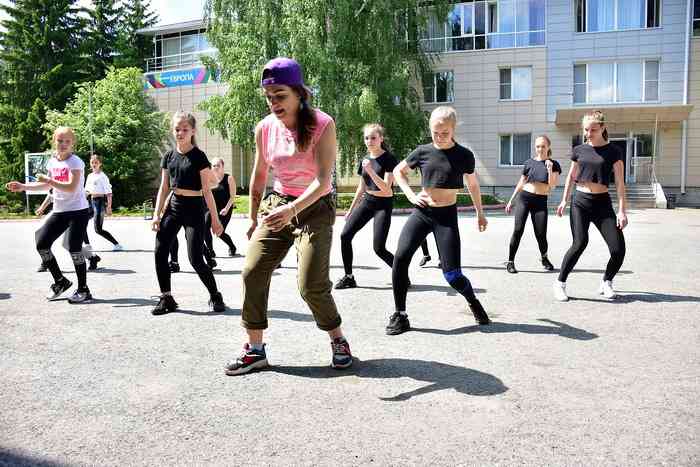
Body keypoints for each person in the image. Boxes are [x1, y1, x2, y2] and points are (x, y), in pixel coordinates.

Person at [224, 57, 352, 375]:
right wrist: (253, 218)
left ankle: (337, 339)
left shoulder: (323, 124)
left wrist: (293, 209)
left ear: (299, 93)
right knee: (252, 271)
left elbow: (324, 181)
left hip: (314, 206)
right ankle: (255, 349)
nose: (274, 103)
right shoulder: (265, 128)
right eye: (269, 97)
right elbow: (258, 175)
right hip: (276, 204)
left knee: (311, 284)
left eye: (280, 95)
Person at [388, 106, 490, 335]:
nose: (440, 137)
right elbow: (398, 171)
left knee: (452, 274)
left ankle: (473, 301)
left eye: (445, 133)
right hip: (422, 213)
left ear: (453, 129)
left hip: (446, 217)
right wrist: (412, 195)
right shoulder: (422, 151)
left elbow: (472, 184)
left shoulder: (464, 155)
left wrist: (480, 213)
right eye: (435, 132)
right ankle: (400, 315)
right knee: (400, 259)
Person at [5, 127, 93, 303]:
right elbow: (48, 187)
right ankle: (60, 281)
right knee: (42, 243)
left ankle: (83, 289)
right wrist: (23, 186)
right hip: (60, 211)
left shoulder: (76, 162)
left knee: (75, 248)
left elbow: (70, 187)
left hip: (78, 211)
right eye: (60, 140)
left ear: (73, 143)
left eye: (67, 141)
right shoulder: (53, 161)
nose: (63, 144)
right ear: (54, 141)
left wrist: (49, 181)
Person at [151, 111, 226, 315]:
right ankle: (166, 298)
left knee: (195, 258)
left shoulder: (198, 156)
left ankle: (215, 295)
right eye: (177, 129)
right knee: (160, 250)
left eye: (185, 129)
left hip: (194, 208)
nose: (180, 132)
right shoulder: (168, 156)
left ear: (193, 131)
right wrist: (157, 214)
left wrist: (216, 221)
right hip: (174, 205)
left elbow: (207, 191)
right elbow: (164, 188)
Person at [554, 110, 627, 301]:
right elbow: (571, 176)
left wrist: (621, 211)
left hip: (602, 203)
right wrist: (564, 200)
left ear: (603, 128)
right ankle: (560, 283)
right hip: (581, 202)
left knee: (618, 249)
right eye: (586, 129)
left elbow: (620, 182)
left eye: (593, 129)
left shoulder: (614, 151)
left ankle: (606, 282)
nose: (588, 133)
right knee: (580, 243)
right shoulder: (579, 150)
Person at [334, 124, 398, 289]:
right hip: (368, 202)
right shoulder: (365, 160)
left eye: (373, 137)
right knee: (345, 235)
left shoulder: (389, 159)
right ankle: (349, 277)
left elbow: (386, 188)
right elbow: (362, 188)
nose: (369, 141)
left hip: (383, 204)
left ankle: (401, 273)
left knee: (379, 248)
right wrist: (351, 210)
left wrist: (370, 171)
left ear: (381, 139)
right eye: (367, 138)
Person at [504, 135, 561, 273]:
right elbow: (521, 182)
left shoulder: (554, 164)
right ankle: (510, 261)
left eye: (543, 146)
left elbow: (552, 186)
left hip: (540, 201)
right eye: (538, 146)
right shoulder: (529, 162)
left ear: (548, 147)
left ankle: (544, 258)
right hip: (524, 198)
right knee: (518, 230)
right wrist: (511, 200)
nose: (540, 149)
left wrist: (549, 168)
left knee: (541, 234)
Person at [35, 191, 102, 271]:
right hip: (58, 210)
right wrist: (42, 207)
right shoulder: (53, 180)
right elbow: (50, 194)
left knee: (67, 244)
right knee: (38, 233)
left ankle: (92, 257)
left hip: (72, 211)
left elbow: (85, 192)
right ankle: (46, 260)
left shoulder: (74, 180)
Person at [203, 157, 238, 269]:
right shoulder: (209, 179)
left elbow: (232, 197)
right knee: (205, 227)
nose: (216, 167)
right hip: (212, 208)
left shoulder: (229, 178)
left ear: (223, 167)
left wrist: (226, 209)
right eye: (214, 165)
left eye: (218, 165)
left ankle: (232, 247)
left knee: (219, 232)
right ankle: (211, 251)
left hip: (225, 209)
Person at [85, 154, 123, 251]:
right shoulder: (89, 176)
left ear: (100, 164)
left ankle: (117, 245)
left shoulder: (103, 176)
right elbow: (87, 191)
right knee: (80, 224)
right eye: (92, 162)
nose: (94, 164)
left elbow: (109, 193)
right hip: (90, 202)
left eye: (96, 163)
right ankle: (87, 245)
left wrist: (109, 207)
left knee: (98, 229)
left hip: (99, 202)